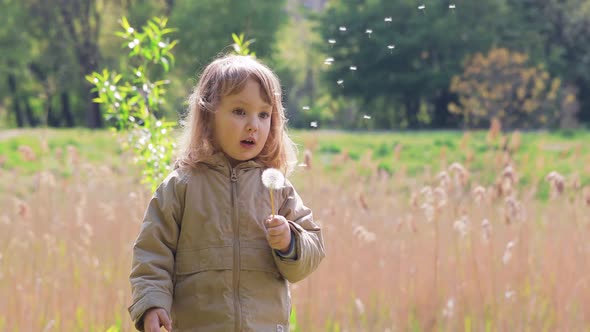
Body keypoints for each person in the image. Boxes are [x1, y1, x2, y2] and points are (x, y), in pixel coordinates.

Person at [128, 54, 326, 332]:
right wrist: (152, 304)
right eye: (239, 111)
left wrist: (290, 242)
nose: (253, 125)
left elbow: (313, 247)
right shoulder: (181, 186)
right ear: (209, 117)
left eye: (264, 114)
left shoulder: (276, 188)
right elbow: (152, 254)